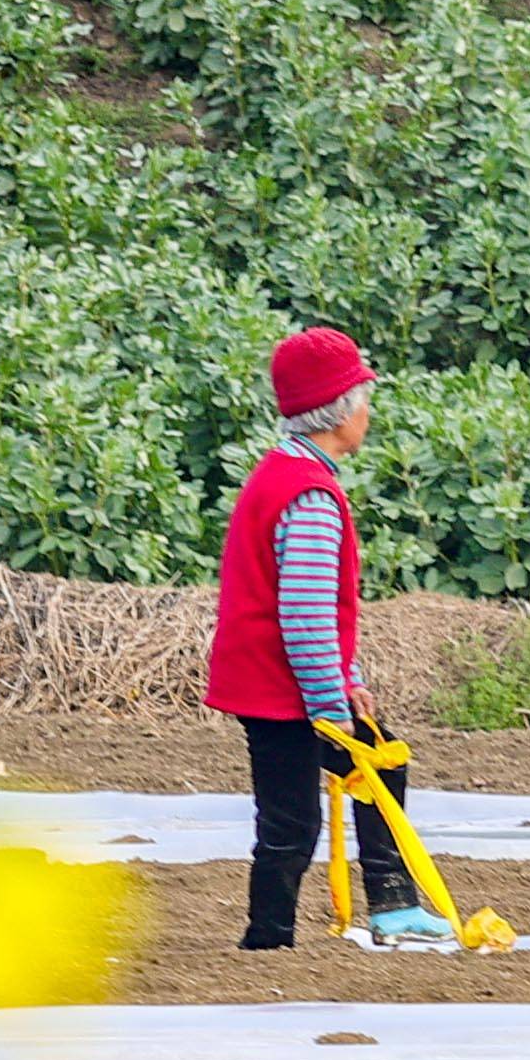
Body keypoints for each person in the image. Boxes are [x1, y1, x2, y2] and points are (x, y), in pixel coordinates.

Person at [203, 326, 449, 950]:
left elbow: (323, 614)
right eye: (364, 399)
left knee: (378, 761)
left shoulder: (285, 473)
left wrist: (352, 680)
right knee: (292, 821)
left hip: (277, 684)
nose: (368, 413)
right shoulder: (309, 496)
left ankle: (388, 908)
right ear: (340, 414)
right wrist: (330, 710)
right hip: (280, 690)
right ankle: (269, 941)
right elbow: (307, 616)